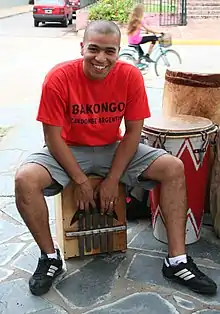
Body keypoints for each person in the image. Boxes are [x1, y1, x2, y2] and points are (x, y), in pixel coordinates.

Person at [14, 19, 217, 297]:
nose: (101, 58)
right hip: (69, 148)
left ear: (118, 52)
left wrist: (112, 179)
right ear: (82, 47)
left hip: (113, 147)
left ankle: (177, 260)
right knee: (25, 179)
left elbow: (134, 131)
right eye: (94, 49)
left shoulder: (129, 75)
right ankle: (49, 258)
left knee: (173, 167)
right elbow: (52, 136)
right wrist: (81, 180)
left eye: (110, 51)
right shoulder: (59, 77)